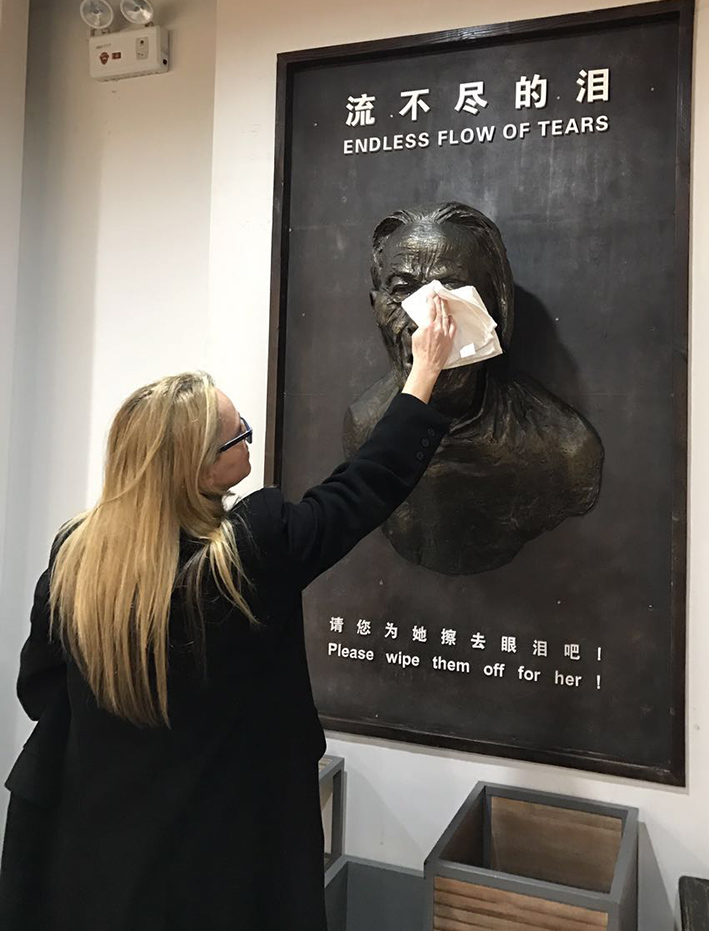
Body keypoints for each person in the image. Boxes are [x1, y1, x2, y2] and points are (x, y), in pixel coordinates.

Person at [0, 293, 456, 931]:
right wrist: (425, 372)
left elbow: (41, 685)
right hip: (227, 852)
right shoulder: (247, 552)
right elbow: (364, 487)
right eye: (238, 436)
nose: (250, 442)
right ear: (201, 472)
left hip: (100, 853)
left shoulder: (77, 554)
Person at [344, 201, 604, 575]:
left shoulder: (564, 449)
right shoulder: (363, 426)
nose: (425, 322)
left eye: (450, 291)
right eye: (402, 290)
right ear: (377, 307)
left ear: (495, 307)